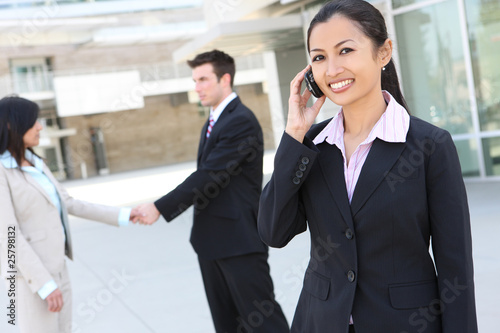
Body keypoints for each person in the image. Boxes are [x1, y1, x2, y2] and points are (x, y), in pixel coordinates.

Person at [257, 1, 478, 332]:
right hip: (320, 322)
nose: (331, 69)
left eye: (345, 50)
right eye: (319, 57)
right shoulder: (312, 146)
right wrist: (293, 137)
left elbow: (455, 267)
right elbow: (273, 232)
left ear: (384, 52)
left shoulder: (429, 146)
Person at [134, 50, 289, 333]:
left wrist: (159, 206)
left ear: (225, 79)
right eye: (195, 80)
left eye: (204, 79)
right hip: (211, 242)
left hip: (239, 241)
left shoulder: (240, 120)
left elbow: (210, 175)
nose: (197, 88)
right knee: (227, 323)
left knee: (263, 320)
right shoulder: (214, 120)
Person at [0, 95, 139, 333]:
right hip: (30, 279)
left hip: (58, 267)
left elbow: (68, 203)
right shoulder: (2, 172)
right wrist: (44, 284)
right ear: (12, 126)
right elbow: (8, 237)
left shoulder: (36, 162)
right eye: (34, 121)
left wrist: (125, 215)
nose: (40, 126)